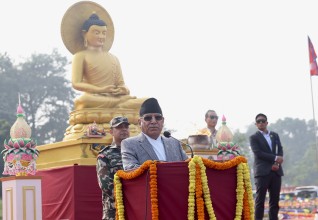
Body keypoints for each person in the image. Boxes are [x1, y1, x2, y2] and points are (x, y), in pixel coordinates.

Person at [61, 2, 145, 110]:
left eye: (104, 33)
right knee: (82, 101)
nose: (101, 36)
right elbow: (76, 83)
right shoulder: (80, 56)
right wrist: (101, 90)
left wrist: (123, 90)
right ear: (84, 33)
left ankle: (120, 105)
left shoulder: (113, 58)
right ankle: (120, 105)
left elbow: (121, 83)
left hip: (115, 97)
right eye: (96, 33)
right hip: (94, 98)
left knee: (146, 102)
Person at [121, 98, 188, 170]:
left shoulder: (174, 142)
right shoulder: (130, 144)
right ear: (140, 122)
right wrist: (159, 166)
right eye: (148, 118)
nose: (153, 121)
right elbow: (130, 169)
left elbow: (188, 166)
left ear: (162, 121)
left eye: (158, 117)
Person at [249, 113, 284, 220]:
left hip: (276, 171)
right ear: (256, 124)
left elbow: (280, 150)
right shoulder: (254, 137)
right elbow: (258, 153)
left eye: (263, 121)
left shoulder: (274, 135)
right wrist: (275, 158)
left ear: (267, 123)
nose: (261, 123)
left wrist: (277, 162)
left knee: (274, 201)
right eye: (258, 121)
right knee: (260, 201)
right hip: (262, 172)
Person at [96, 116, 130, 220]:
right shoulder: (105, 155)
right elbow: (106, 185)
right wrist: (131, 197)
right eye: (119, 127)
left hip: (136, 207)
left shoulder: (136, 151)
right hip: (114, 210)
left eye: (126, 126)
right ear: (111, 131)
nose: (124, 129)